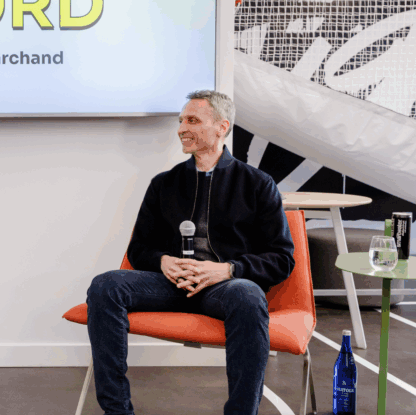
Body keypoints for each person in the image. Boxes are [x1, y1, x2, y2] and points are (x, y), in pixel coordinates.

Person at [86, 90, 295, 415]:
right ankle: (117, 411)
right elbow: (139, 249)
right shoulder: (164, 184)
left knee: (248, 295)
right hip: (169, 285)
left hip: (223, 288)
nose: (182, 127)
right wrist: (163, 261)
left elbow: (282, 259)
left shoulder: (257, 184)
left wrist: (228, 270)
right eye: (181, 120)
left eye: (192, 120)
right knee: (105, 286)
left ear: (221, 126)